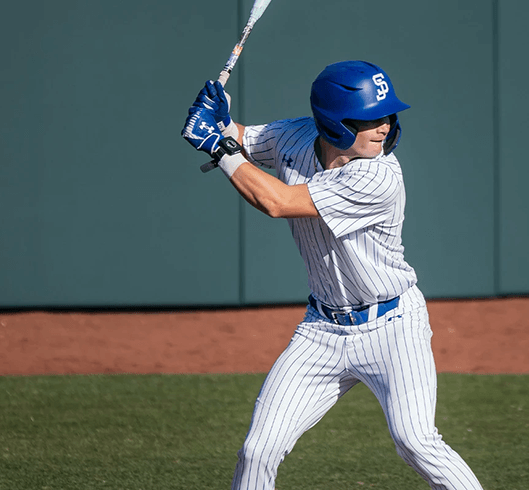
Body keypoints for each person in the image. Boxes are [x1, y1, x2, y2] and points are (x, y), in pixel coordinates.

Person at [181, 60, 484, 489]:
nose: (383, 127)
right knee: (257, 450)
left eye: (387, 115)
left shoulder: (378, 176)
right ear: (333, 122)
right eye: (369, 118)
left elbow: (277, 202)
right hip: (322, 330)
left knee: (416, 441)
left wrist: (216, 146)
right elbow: (247, 139)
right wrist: (222, 122)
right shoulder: (297, 136)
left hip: (393, 327)